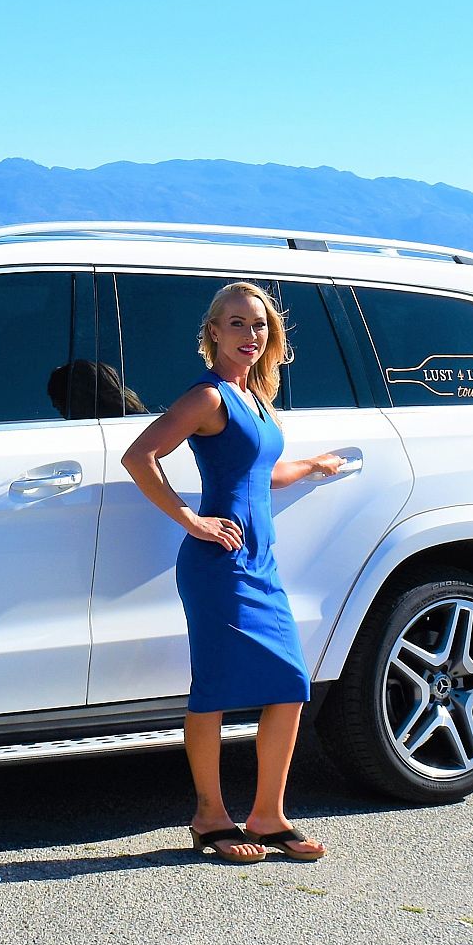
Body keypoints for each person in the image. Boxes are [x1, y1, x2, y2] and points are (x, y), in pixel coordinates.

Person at [119, 281, 346, 863]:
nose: (251, 335)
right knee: (215, 690)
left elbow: (260, 471)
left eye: (260, 325)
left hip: (261, 564)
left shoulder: (254, 399)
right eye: (238, 324)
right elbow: (139, 457)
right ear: (213, 332)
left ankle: (268, 816)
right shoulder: (209, 397)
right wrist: (191, 519)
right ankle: (210, 816)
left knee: (290, 684)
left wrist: (314, 466)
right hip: (218, 566)